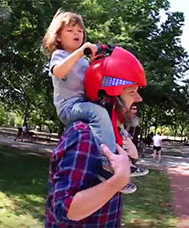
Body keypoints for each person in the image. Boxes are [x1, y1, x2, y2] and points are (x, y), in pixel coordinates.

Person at [44, 34, 147, 226]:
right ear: (108, 94)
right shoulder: (84, 135)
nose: (139, 99)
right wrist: (118, 180)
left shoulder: (109, 133)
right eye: (131, 91)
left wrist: (130, 157)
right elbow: (64, 209)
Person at [42, 9, 135, 194]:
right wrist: (80, 52)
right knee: (98, 112)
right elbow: (59, 72)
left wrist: (103, 61)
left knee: (110, 110)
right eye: (70, 30)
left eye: (80, 30)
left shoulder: (84, 62)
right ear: (58, 37)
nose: (77, 33)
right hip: (69, 107)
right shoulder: (59, 56)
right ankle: (106, 164)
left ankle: (125, 158)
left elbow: (96, 82)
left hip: (85, 105)